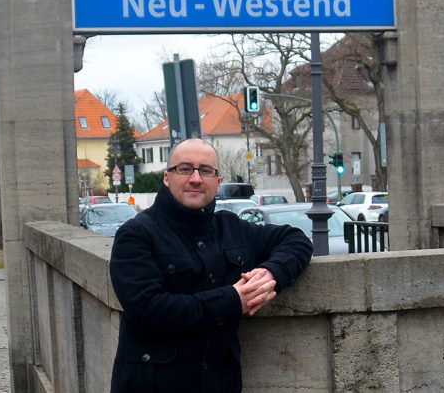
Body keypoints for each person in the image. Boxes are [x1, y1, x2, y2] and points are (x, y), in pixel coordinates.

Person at [109, 138, 313, 393]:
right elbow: (148, 310)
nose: (195, 178)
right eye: (185, 169)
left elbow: (296, 240)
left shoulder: (231, 228)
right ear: (166, 178)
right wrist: (232, 299)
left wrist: (271, 274)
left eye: (205, 170)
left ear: (217, 183)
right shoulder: (136, 234)